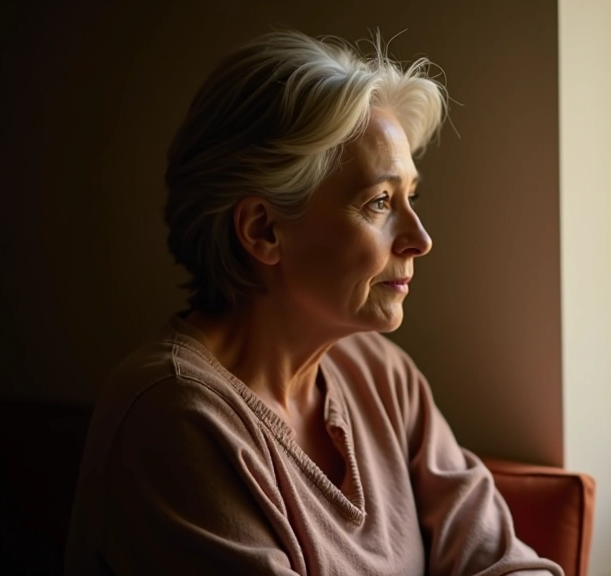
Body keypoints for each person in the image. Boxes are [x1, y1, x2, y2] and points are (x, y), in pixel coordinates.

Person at [64, 30, 563, 576]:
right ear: (263, 230)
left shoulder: (383, 376)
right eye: (379, 202)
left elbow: (502, 562)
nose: (419, 239)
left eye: (410, 197)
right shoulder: (174, 418)